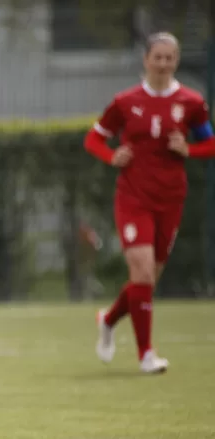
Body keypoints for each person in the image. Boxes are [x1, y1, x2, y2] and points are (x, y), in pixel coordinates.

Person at [85, 32, 215, 373]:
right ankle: (146, 354)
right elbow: (94, 139)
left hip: (170, 198)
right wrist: (112, 156)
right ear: (145, 60)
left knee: (146, 282)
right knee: (141, 271)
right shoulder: (125, 101)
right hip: (133, 197)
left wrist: (189, 150)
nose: (163, 63)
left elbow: (210, 144)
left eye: (169, 57)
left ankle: (109, 320)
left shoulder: (192, 102)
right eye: (157, 57)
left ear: (177, 60)